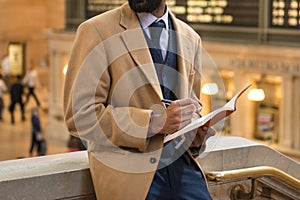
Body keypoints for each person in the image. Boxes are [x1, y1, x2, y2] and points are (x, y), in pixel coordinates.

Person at [64, 1, 214, 199]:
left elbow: (192, 106)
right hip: (130, 177)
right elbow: (79, 115)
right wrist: (153, 122)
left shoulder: (190, 38)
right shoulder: (95, 31)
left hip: (183, 169)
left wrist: (195, 134)